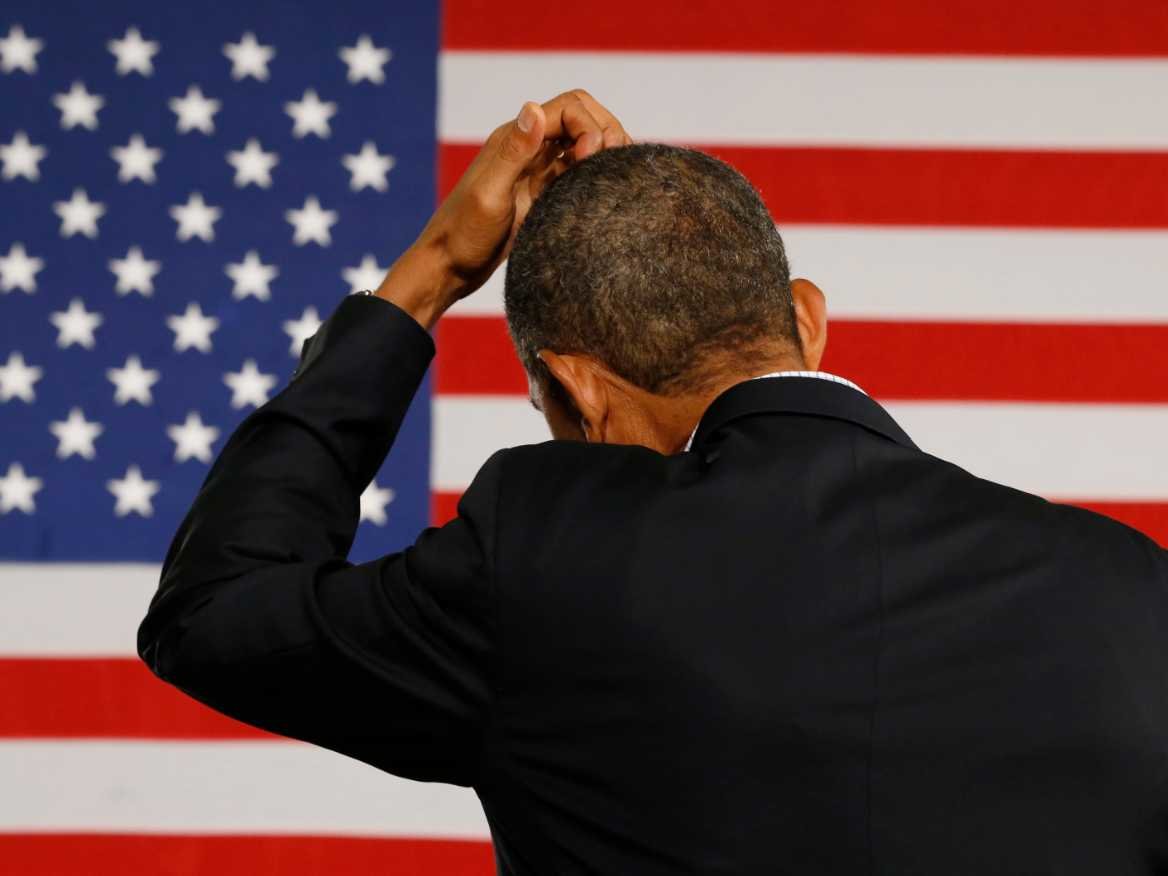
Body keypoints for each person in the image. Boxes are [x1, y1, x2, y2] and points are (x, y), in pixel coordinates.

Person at [138, 90, 1168, 874]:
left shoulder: (545, 562)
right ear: (807, 321)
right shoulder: (1132, 590)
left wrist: (434, 272)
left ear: (576, 392)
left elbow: (214, 611)